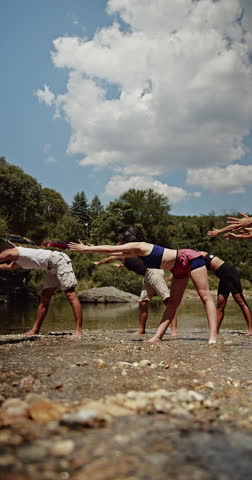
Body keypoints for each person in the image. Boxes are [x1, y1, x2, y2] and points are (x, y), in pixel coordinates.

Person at [68, 226, 218, 344]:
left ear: (126, 239)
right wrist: (94, 248)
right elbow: (113, 253)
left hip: (190, 257)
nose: (118, 243)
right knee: (173, 303)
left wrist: (87, 248)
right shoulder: (135, 251)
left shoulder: (140, 245)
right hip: (177, 268)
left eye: (119, 240)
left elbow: (111, 249)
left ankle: (213, 336)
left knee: (204, 295)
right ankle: (158, 337)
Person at [0, 244, 83, 337]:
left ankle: (78, 330)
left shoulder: (10, 251)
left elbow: (2, 257)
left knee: (70, 294)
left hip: (59, 260)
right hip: (51, 267)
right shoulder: (18, 259)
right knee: (45, 297)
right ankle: (35, 330)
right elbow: (8, 267)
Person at [93, 255, 178, 336]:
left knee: (167, 301)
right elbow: (136, 264)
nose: (118, 244)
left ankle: (174, 330)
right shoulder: (128, 257)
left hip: (154, 272)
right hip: (147, 275)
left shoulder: (123, 252)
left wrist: (99, 263)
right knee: (143, 303)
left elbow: (109, 258)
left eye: (119, 242)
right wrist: (121, 266)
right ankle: (141, 330)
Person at [199, 251, 252, 335]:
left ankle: (251, 329)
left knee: (240, 301)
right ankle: (215, 331)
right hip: (223, 276)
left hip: (230, 273)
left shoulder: (199, 255)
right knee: (220, 303)